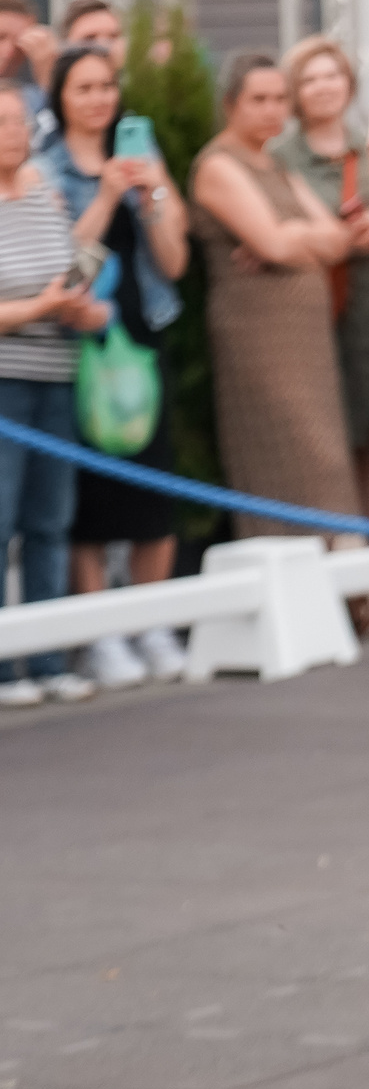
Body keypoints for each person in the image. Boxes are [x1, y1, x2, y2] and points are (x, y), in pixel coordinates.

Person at [43, 43, 191, 688]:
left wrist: (152, 192)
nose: (100, 99)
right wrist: (103, 198)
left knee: (154, 487)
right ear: (61, 98)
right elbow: (64, 268)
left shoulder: (142, 159)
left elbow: (175, 263)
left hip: (142, 334)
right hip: (80, 346)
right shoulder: (49, 169)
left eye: (107, 87)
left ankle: (151, 624)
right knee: (93, 501)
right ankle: (99, 633)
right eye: (84, 88)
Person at [192, 51, 364, 541]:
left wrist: (292, 238)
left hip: (308, 341)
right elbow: (273, 243)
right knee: (284, 451)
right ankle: (290, 581)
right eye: (258, 99)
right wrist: (291, 237)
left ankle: (344, 587)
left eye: (279, 99)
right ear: (230, 105)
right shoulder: (218, 165)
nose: (272, 110)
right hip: (257, 338)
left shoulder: (275, 164)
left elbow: (336, 240)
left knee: (328, 454)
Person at [0, 90, 113, 706]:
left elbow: (69, 271)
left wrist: (81, 311)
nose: (13, 133)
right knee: (1, 523)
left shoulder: (46, 202)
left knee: (49, 522)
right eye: (1, 123)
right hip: (5, 387)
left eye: (19, 120)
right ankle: (2, 667)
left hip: (56, 378)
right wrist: (41, 306)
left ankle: (46, 660)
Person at [273, 36, 369, 536]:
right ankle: (341, 574)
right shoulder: (277, 155)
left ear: (348, 84)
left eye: (332, 75)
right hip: (309, 312)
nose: (323, 87)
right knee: (326, 444)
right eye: (309, 78)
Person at [0, 0, 53, 130]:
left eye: (19, 42)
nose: (9, 51)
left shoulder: (34, 96)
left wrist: (48, 75)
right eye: (1, 37)